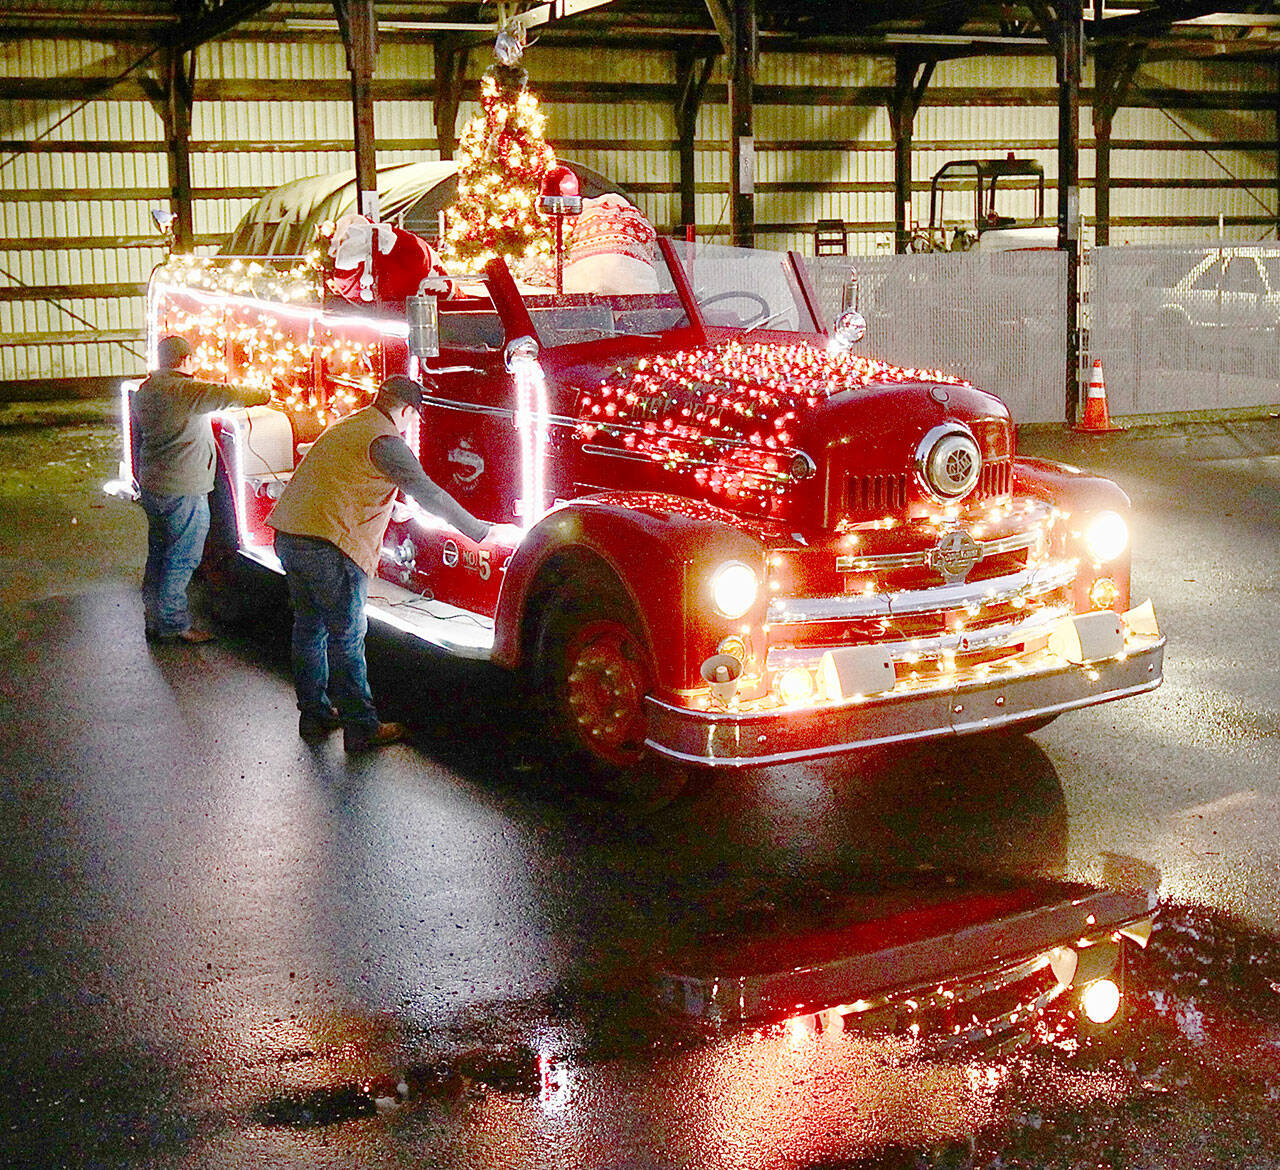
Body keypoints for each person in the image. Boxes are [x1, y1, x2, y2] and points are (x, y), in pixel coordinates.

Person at [267, 374, 491, 752]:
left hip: (291, 534)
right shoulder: (385, 440)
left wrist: (392, 506)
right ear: (405, 410)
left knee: (309, 629)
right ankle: (361, 728)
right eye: (411, 418)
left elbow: (343, 479)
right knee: (347, 637)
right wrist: (480, 531)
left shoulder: (352, 424)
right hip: (328, 546)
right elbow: (430, 494)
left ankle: (315, 714)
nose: (409, 425)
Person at [134, 334, 270, 644]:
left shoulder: (147, 390)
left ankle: (154, 617)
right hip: (183, 487)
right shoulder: (184, 391)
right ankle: (173, 623)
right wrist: (263, 393)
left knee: (159, 553)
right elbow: (227, 394)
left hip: (154, 484)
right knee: (182, 556)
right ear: (185, 361)